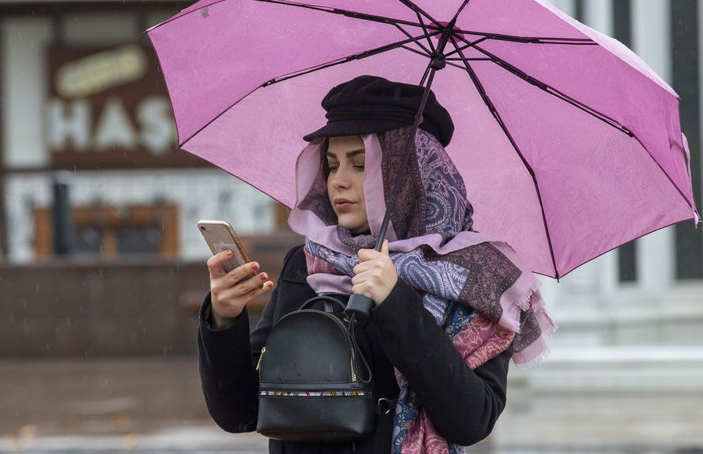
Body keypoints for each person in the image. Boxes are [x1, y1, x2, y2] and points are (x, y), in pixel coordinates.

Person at [198, 75, 555, 454]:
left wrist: (395, 300)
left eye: (360, 164)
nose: (338, 181)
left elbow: (471, 420)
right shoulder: (308, 263)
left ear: (411, 175)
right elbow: (240, 411)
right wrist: (223, 319)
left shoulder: (477, 275)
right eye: (332, 165)